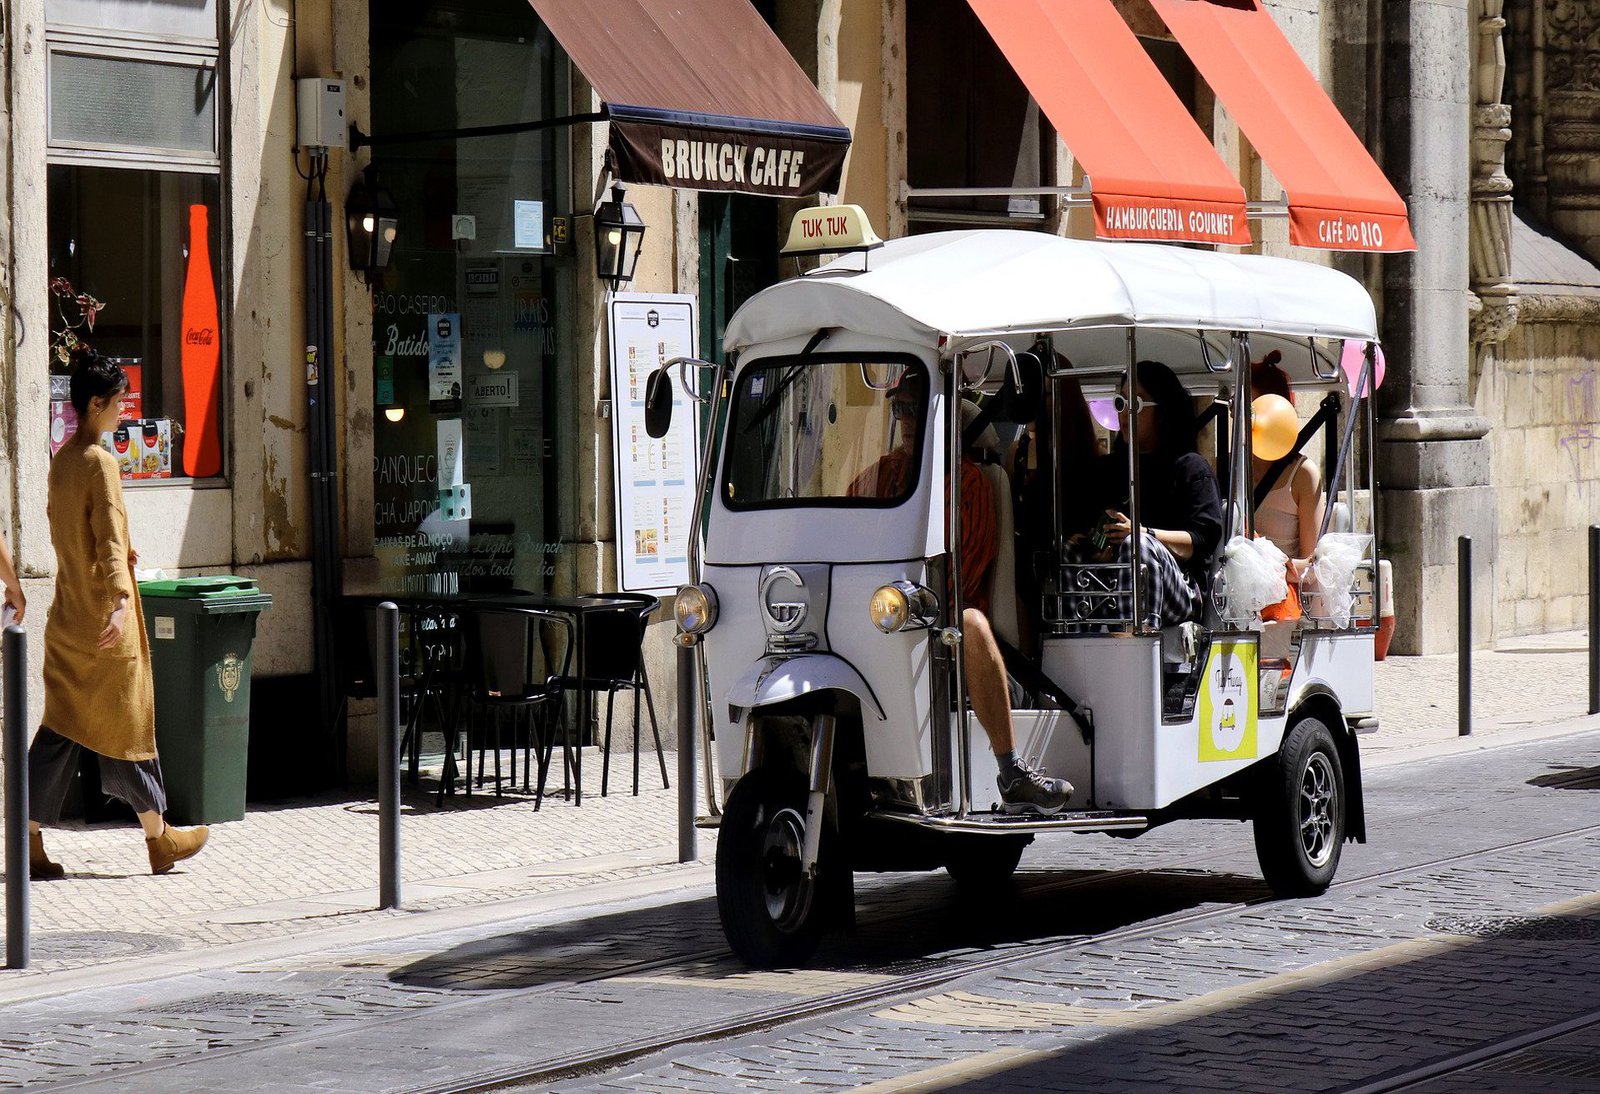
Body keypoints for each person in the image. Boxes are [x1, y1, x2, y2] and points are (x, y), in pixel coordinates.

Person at [851, 371, 1072, 814]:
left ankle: (1010, 770)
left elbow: (959, 585)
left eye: (917, 410)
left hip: (949, 637)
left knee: (969, 620)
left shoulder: (970, 484)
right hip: (885, 623)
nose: (906, 420)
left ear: (943, 419)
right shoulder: (878, 475)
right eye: (899, 409)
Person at [28, 349, 209, 879]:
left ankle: (28, 842)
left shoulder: (63, 460)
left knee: (60, 733)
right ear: (95, 404)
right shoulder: (101, 462)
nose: (124, 410)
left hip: (66, 618)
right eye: (118, 401)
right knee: (129, 727)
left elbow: (73, 533)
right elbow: (105, 533)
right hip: (104, 621)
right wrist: (123, 599)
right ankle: (160, 839)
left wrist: (117, 552)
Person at [1085, 359, 1222, 628]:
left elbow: (1202, 540)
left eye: (1134, 404)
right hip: (1117, 580)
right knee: (1072, 551)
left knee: (1139, 548)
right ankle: (1070, 648)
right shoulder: (1112, 469)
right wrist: (1099, 544)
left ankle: (1138, 646)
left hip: (1180, 590)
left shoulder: (1190, 467)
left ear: (1163, 411)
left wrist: (1142, 533)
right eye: (1120, 403)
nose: (1124, 414)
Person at [1250, 356, 1324, 583]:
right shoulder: (1225, 465)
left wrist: (1267, 568)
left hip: (1281, 598)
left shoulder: (1304, 475)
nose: (1237, 416)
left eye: (1250, 409)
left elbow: (1313, 563)